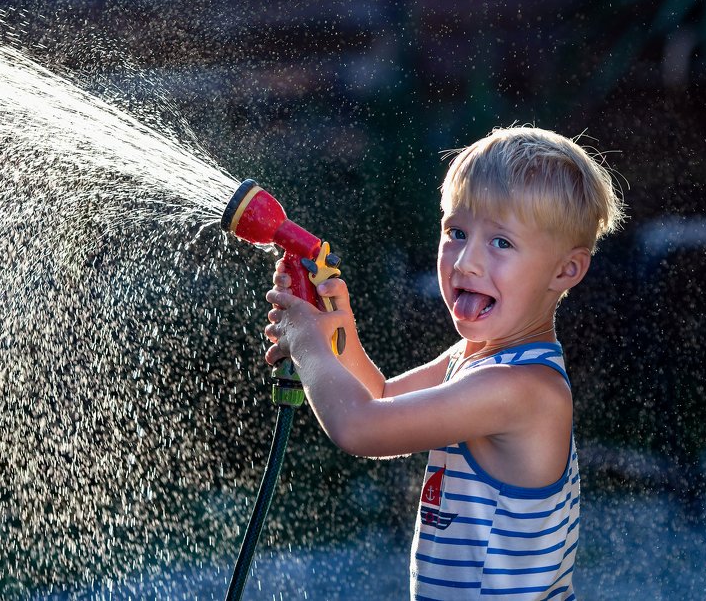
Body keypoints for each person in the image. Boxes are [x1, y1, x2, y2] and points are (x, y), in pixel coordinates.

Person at [264, 126, 625, 600]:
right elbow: (385, 399)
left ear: (566, 270)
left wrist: (308, 345)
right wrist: (339, 334)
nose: (466, 261)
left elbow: (360, 426)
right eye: (456, 232)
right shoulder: (472, 359)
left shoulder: (523, 390)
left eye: (501, 243)